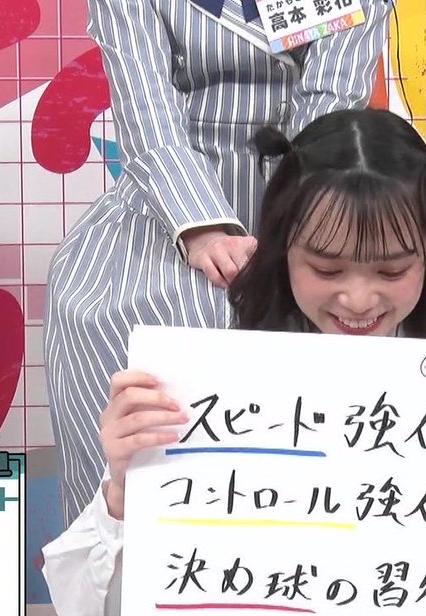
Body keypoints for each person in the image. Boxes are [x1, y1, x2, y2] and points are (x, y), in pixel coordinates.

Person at [42, 108, 426, 616]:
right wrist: (125, 489)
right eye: (326, 270)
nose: (358, 298)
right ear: (283, 252)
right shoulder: (205, 388)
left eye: (392, 271)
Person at [43, 0, 396, 527]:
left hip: (305, 207)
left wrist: (294, 232)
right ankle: (128, 569)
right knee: (133, 385)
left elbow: (330, 108)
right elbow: (146, 109)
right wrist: (200, 225)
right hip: (161, 212)